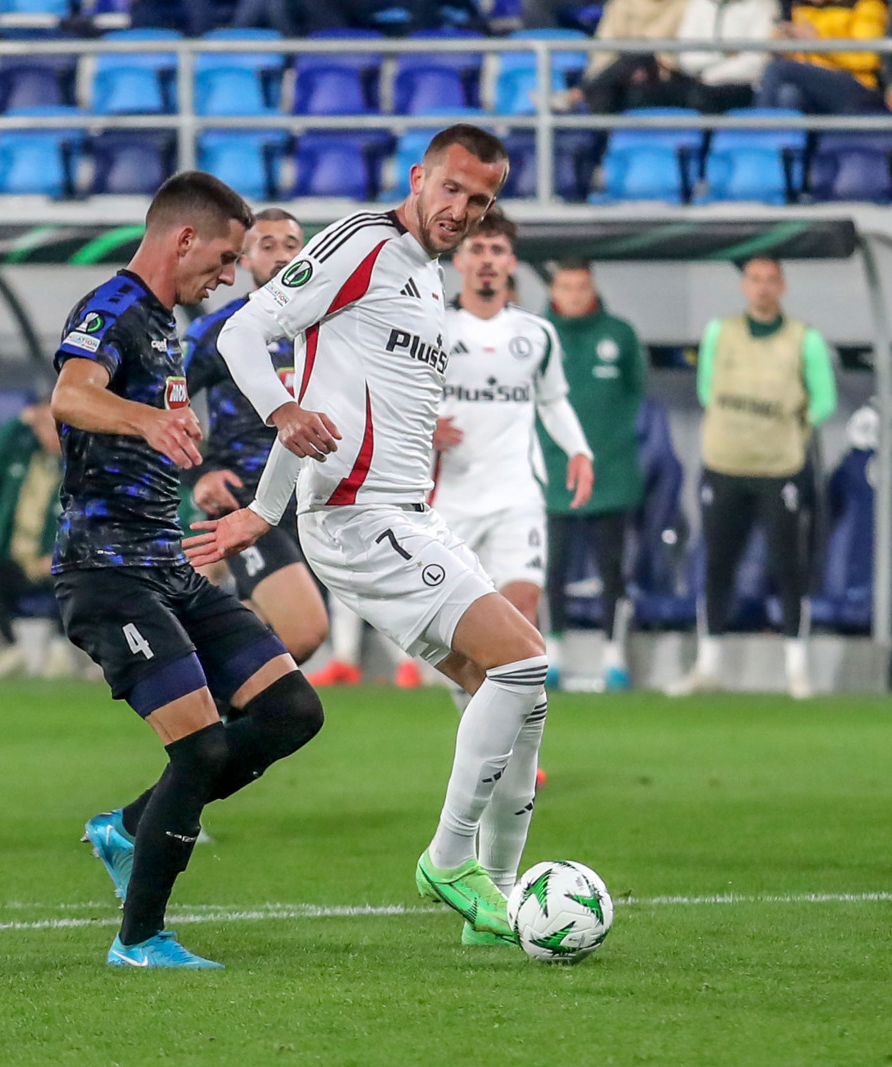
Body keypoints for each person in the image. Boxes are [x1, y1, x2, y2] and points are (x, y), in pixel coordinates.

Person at [186, 125, 550, 947]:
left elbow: (334, 402)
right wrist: (278, 411)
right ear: (419, 177)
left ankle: (494, 902)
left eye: (481, 199)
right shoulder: (361, 242)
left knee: (518, 691)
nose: (462, 209)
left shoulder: (426, 283)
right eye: (452, 189)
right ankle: (451, 860)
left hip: (406, 519)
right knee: (524, 659)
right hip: (359, 521)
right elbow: (246, 334)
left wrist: (268, 504)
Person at [55, 172, 324, 970]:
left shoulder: (168, 324)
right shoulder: (111, 308)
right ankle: (138, 940)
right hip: (107, 573)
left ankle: (129, 826)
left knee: (291, 710)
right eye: (227, 255)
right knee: (201, 750)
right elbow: (71, 395)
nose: (232, 272)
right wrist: (146, 418)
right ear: (183, 240)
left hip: (164, 566)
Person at [431, 208, 594, 698]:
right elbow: (395, 398)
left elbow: (553, 399)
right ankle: (483, 743)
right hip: (449, 500)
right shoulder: (432, 328)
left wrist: (579, 451)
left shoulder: (535, 334)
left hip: (516, 494)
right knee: (463, 634)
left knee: (521, 614)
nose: (486, 260)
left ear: (510, 263)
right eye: (476, 249)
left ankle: (521, 757)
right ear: (458, 259)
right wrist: (426, 425)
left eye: (496, 250)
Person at [667, 255, 837, 700]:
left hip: (779, 467)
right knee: (718, 562)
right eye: (754, 279)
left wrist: (793, 429)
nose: (761, 287)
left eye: (769, 280)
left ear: (782, 286)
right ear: (745, 286)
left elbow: (824, 401)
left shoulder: (805, 339)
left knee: (788, 567)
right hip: (724, 463)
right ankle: (708, 664)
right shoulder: (720, 333)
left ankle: (797, 669)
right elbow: (707, 389)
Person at [184, 207, 330, 668]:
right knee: (303, 632)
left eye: (292, 245)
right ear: (244, 259)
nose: (283, 256)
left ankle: (207, 702)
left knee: (267, 629)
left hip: (319, 500)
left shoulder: (332, 327)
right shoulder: (218, 331)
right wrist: (200, 475)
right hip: (247, 498)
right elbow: (161, 412)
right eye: (268, 246)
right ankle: (213, 707)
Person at [544, 258, 646, 691]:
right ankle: (550, 652)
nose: (573, 295)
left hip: (610, 472)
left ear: (593, 289)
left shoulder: (619, 335)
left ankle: (613, 656)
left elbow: (636, 391)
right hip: (551, 474)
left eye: (581, 287)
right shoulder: (538, 334)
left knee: (611, 569)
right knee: (552, 570)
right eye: (566, 287)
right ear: (554, 292)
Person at [0, 398, 67, 679]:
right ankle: (11, 650)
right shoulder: (22, 459)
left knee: (74, 580)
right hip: (18, 560)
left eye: (59, 426)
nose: (52, 434)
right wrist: (19, 421)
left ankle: (62, 651)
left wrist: (59, 554)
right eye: (45, 426)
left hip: (59, 559)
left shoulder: (83, 466)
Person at [756, 0, 889, 115]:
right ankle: (783, 143)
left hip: (855, 83)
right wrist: (784, 43)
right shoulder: (802, 9)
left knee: (777, 69)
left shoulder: (867, 6)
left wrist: (819, 44)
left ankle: (758, 134)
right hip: (812, 84)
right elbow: (800, 59)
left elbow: (869, 58)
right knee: (789, 94)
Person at [569, 0, 691, 115]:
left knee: (641, 48)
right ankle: (600, 134)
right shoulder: (621, 4)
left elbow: (684, 53)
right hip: (621, 74)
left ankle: (581, 91)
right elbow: (604, 49)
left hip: (666, 75)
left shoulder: (685, 5)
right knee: (602, 95)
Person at [669, 0, 781, 113]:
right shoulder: (698, 4)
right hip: (697, 84)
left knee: (701, 98)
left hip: (742, 87)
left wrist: (710, 75)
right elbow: (686, 59)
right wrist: (724, 55)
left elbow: (753, 64)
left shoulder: (760, 6)